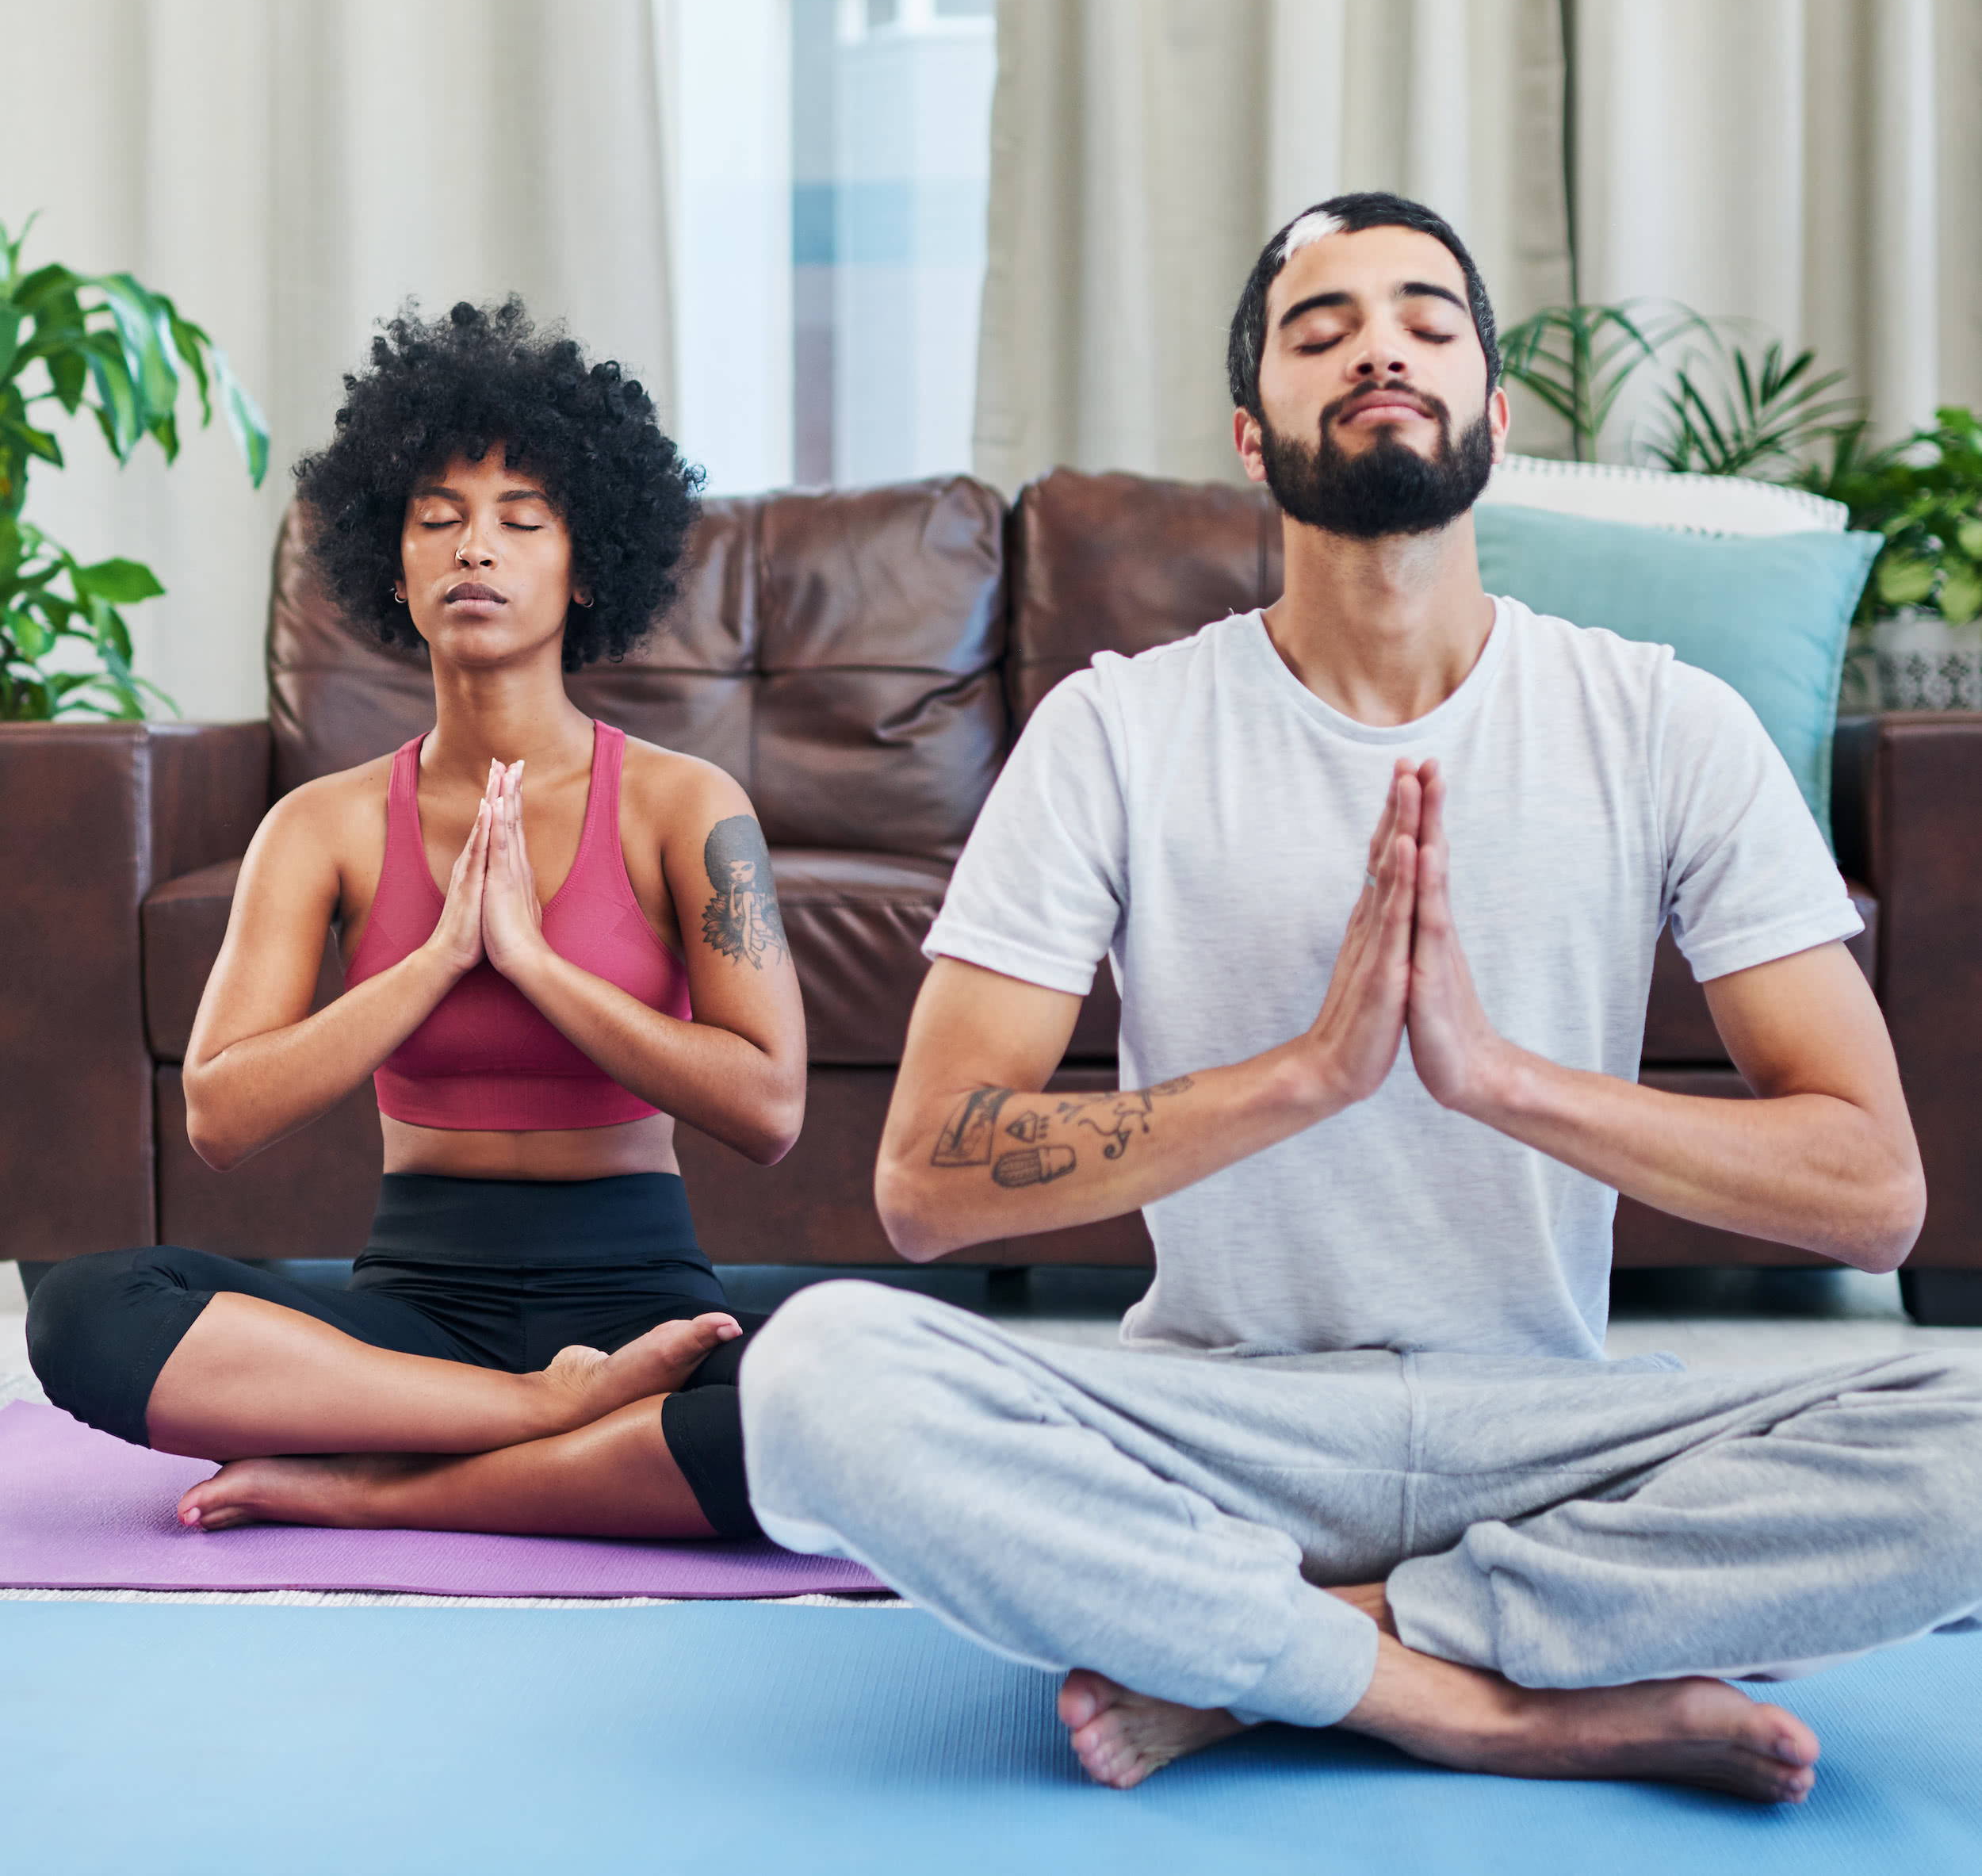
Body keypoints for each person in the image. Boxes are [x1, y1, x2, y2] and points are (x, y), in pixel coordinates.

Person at [737, 193, 1982, 1801]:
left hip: (1546, 1433)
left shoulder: (1661, 720)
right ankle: (1475, 1697)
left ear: (1493, 414)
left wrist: (1500, 1079)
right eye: (1318, 330)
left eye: (1424, 319)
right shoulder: (1115, 730)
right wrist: (1301, 1075)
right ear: (1250, 437)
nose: (1378, 345)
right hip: (1211, 1428)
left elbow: (1873, 1195)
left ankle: (1301, 1653)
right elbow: (921, 1185)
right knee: (814, 1372)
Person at [29, 300, 806, 1545]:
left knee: (809, 1421)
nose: (473, 551)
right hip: (408, 1318)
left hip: (636, 1297)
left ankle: (386, 1481)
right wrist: (443, 955)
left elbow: (770, 1109)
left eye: (520, 520)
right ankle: (537, 1419)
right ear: (392, 564)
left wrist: (538, 964)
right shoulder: (322, 826)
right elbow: (221, 1116)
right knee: (80, 1308)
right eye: (436, 520)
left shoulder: (683, 806)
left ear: (587, 559)